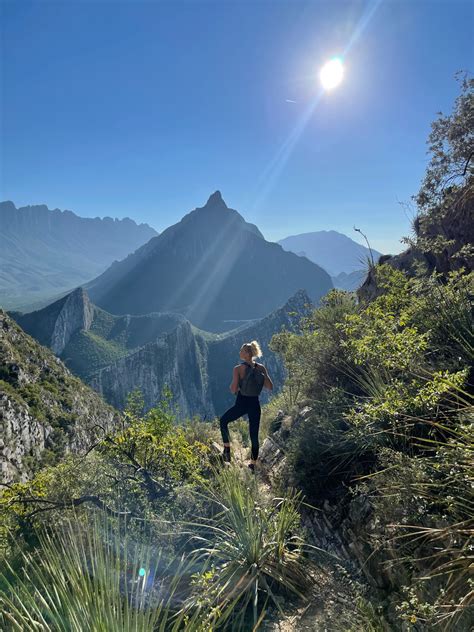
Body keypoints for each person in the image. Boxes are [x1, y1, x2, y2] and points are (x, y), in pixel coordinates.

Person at [219, 340, 273, 472]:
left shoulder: (238, 369)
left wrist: (234, 387)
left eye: (241, 350)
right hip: (255, 403)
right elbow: (270, 387)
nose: (239, 352)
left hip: (242, 403)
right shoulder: (261, 368)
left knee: (223, 421)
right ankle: (252, 465)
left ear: (247, 353)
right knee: (254, 435)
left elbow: (233, 389)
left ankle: (227, 451)